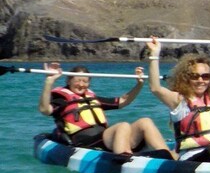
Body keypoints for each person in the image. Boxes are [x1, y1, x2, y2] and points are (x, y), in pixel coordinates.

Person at [38, 62, 176, 158]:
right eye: (78, 80)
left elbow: (122, 102)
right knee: (122, 126)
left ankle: (167, 155)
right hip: (85, 141)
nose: (82, 84)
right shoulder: (61, 99)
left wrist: (139, 84)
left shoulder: (92, 98)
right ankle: (124, 157)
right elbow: (45, 110)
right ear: (68, 80)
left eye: (85, 81)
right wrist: (49, 82)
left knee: (145, 121)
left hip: (104, 138)